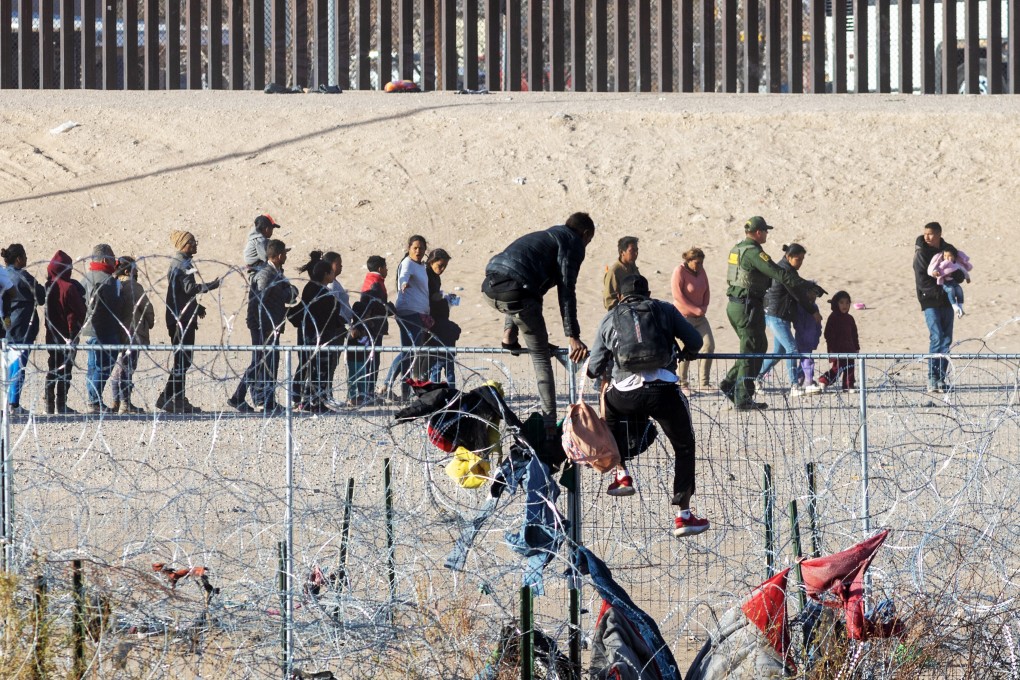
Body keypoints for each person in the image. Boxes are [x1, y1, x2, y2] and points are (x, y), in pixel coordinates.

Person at [586, 274, 709, 538]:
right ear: (648, 293)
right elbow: (696, 341)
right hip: (664, 391)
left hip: (625, 394)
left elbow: (594, 367)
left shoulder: (610, 318)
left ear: (619, 296)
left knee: (610, 414)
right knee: (684, 446)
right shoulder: (663, 309)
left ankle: (622, 474)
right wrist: (685, 353)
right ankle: (683, 516)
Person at [481, 212, 594, 434]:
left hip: (490, 286)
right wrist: (573, 336)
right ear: (586, 234)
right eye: (589, 241)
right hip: (517, 293)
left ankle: (508, 337)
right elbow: (567, 291)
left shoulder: (549, 236)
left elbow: (517, 279)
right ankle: (549, 427)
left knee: (519, 300)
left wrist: (511, 334)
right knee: (541, 357)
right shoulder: (573, 242)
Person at [719, 217, 824, 410]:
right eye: (765, 231)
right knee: (752, 349)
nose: (767, 234)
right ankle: (743, 397)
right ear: (758, 232)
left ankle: (730, 383)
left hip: (743, 305)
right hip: (747, 306)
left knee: (757, 346)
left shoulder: (738, 248)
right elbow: (779, 274)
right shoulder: (753, 252)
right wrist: (806, 285)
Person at [230, 239, 296, 413]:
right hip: (263, 327)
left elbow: (285, 295)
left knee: (270, 363)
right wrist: (263, 326)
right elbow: (259, 302)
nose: (286, 257)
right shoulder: (265, 274)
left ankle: (268, 401)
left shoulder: (277, 273)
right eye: (285, 254)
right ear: (279, 255)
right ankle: (239, 397)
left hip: (272, 325)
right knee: (259, 362)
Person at [159, 231, 221, 414]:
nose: (195, 244)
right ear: (183, 245)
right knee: (182, 361)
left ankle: (176, 398)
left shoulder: (183, 262)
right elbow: (189, 288)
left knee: (183, 361)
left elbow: (181, 293)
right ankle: (170, 398)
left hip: (182, 316)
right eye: (192, 242)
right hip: (180, 320)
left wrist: (195, 308)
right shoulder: (182, 263)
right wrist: (211, 285)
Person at [756, 243, 825, 397]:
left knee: (779, 352)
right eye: (797, 259)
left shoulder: (789, 270)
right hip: (776, 316)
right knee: (792, 349)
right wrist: (813, 311)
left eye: (802, 259)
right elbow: (798, 295)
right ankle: (794, 386)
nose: (800, 262)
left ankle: (756, 378)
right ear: (788, 256)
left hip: (782, 317)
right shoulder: (785, 271)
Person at [291, 253, 346, 413]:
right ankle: (313, 402)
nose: (332, 275)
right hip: (317, 336)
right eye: (330, 272)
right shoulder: (320, 292)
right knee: (317, 370)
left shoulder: (313, 288)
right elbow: (327, 314)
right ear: (325, 274)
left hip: (314, 335)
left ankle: (311, 400)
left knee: (314, 369)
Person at [81, 243, 129, 414]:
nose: (114, 263)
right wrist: (123, 295)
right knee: (103, 367)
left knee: (93, 366)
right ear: (103, 259)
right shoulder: (107, 281)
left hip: (90, 329)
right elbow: (115, 306)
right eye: (111, 259)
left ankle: (93, 400)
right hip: (106, 330)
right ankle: (94, 401)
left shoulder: (86, 278)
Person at [383, 235, 430, 401]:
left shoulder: (421, 266)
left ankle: (404, 391)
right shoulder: (408, 263)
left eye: (421, 248)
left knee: (411, 352)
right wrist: (403, 283)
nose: (418, 251)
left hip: (418, 312)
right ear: (409, 248)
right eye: (415, 248)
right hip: (409, 312)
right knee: (409, 351)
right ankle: (389, 384)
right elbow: (404, 275)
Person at [2, 244, 46, 415]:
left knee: (9, 365)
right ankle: (14, 403)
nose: (27, 260)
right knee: (18, 366)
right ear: (19, 258)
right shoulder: (23, 277)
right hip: (21, 327)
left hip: (5, 325)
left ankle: (8, 403)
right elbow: (41, 297)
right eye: (25, 256)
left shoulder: (3, 274)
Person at [913, 221, 956, 393]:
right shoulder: (921, 253)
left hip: (947, 301)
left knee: (946, 339)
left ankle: (941, 378)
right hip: (929, 300)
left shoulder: (948, 250)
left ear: (938, 234)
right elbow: (922, 280)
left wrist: (957, 275)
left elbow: (957, 270)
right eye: (925, 233)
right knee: (936, 336)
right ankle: (932, 376)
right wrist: (941, 293)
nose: (927, 237)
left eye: (930, 234)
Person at [42, 251, 87, 415]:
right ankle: (61, 405)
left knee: (53, 366)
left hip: (52, 334)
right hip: (69, 334)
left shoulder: (48, 286)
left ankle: (49, 404)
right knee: (65, 369)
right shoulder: (69, 287)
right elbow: (81, 311)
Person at [108, 256, 154, 414]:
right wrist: (151, 322)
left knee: (119, 369)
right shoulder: (134, 286)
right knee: (128, 369)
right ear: (128, 270)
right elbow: (147, 307)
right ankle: (125, 403)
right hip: (133, 334)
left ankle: (116, 401)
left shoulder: (113, 284)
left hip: (115, 333)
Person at [671, 247, 714, 393]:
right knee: (687, 348)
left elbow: (707, 289)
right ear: (688, 261)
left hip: (700, 317)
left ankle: (704, 382)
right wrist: (695, 309)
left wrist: (704, 306)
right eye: (697, 263)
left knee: (708, 345)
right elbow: (678, 296)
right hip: (683, 317)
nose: (700, 266)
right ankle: (682, 383)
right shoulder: (679, 271)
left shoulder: (701, 271)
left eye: (702, 263)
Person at [348, 256, 390, 406]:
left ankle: (366, 393)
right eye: (386, 267)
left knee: (369, 360)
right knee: (372, 361)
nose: (387, 270)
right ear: (380, 268)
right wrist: (389, 309)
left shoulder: (369, 281)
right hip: (373, 328)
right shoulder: (376, 285)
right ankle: (368, 393)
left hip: (369, 327)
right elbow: (372, 306)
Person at [424, 248, 461, 387]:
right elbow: (429, 296)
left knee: (443, 365)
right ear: (431, 262)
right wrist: (437, 298)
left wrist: (443, 299)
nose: (442, 269)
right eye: (440, 265)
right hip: (431, 321)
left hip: (439, 320)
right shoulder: (426, 274)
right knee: (435, 363)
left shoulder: (435, 276)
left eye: (445, 266)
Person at [818, 290, 860, 391]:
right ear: (836, 304)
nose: (844, 305)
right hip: (837, 349)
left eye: (847, 303)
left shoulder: (850, 318)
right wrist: (832, 348)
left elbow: (854, 334)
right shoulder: (833, 317)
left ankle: (848, 385)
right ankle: (824, 380)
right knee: (837, 369)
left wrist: (856, 347)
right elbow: (827, 334)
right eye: (841, 302)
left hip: (849, 348)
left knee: (850, 368)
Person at [792, 284, 823, 392]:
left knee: (804, 359)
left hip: (811, 337)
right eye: (811, 292)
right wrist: (802, 334)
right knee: (807, 359)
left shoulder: (814, 307)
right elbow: (798, 323)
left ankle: (801, 378)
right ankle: (808, 381)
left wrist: (818, 335)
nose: (814, 295)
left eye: (815, 293)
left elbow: (818, 322)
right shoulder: (801, 306)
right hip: (802, 337)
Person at [928, 243, 972, 318]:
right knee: (950, 290)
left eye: (949, 256)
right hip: (945, 282)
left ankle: (960, 306)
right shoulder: (942, 264)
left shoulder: (956, 265)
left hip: (954, 282)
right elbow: (936, 268)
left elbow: (964, 270)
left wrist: (967, 278)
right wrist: (935, 272)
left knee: (959, 290)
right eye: (945, 256)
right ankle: (954, 306)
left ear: (954, 257)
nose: (946, 258)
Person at [603, 236, 640, 311]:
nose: (636, 254)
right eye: (632, 251)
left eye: (637, 250)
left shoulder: (632, 267)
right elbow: (609, 302)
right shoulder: (614, 272)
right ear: (622, 252)